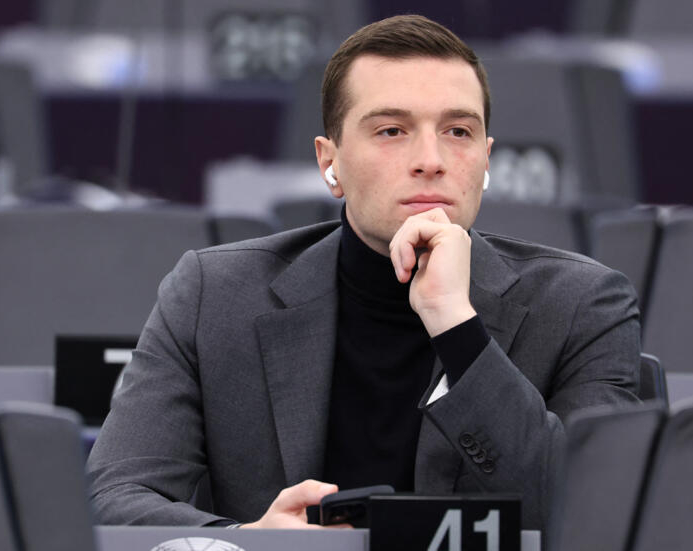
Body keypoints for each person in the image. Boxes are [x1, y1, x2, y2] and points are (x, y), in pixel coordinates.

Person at [87, 14, 640, 530]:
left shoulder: (583, 305)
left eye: (458, 132)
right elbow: (113, 498)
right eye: (391, 131)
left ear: (487, 160)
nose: (432, 159)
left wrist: (455, 325)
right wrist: (250, 541)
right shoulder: (214, 295)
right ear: (330, 163)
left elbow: (594, 515)